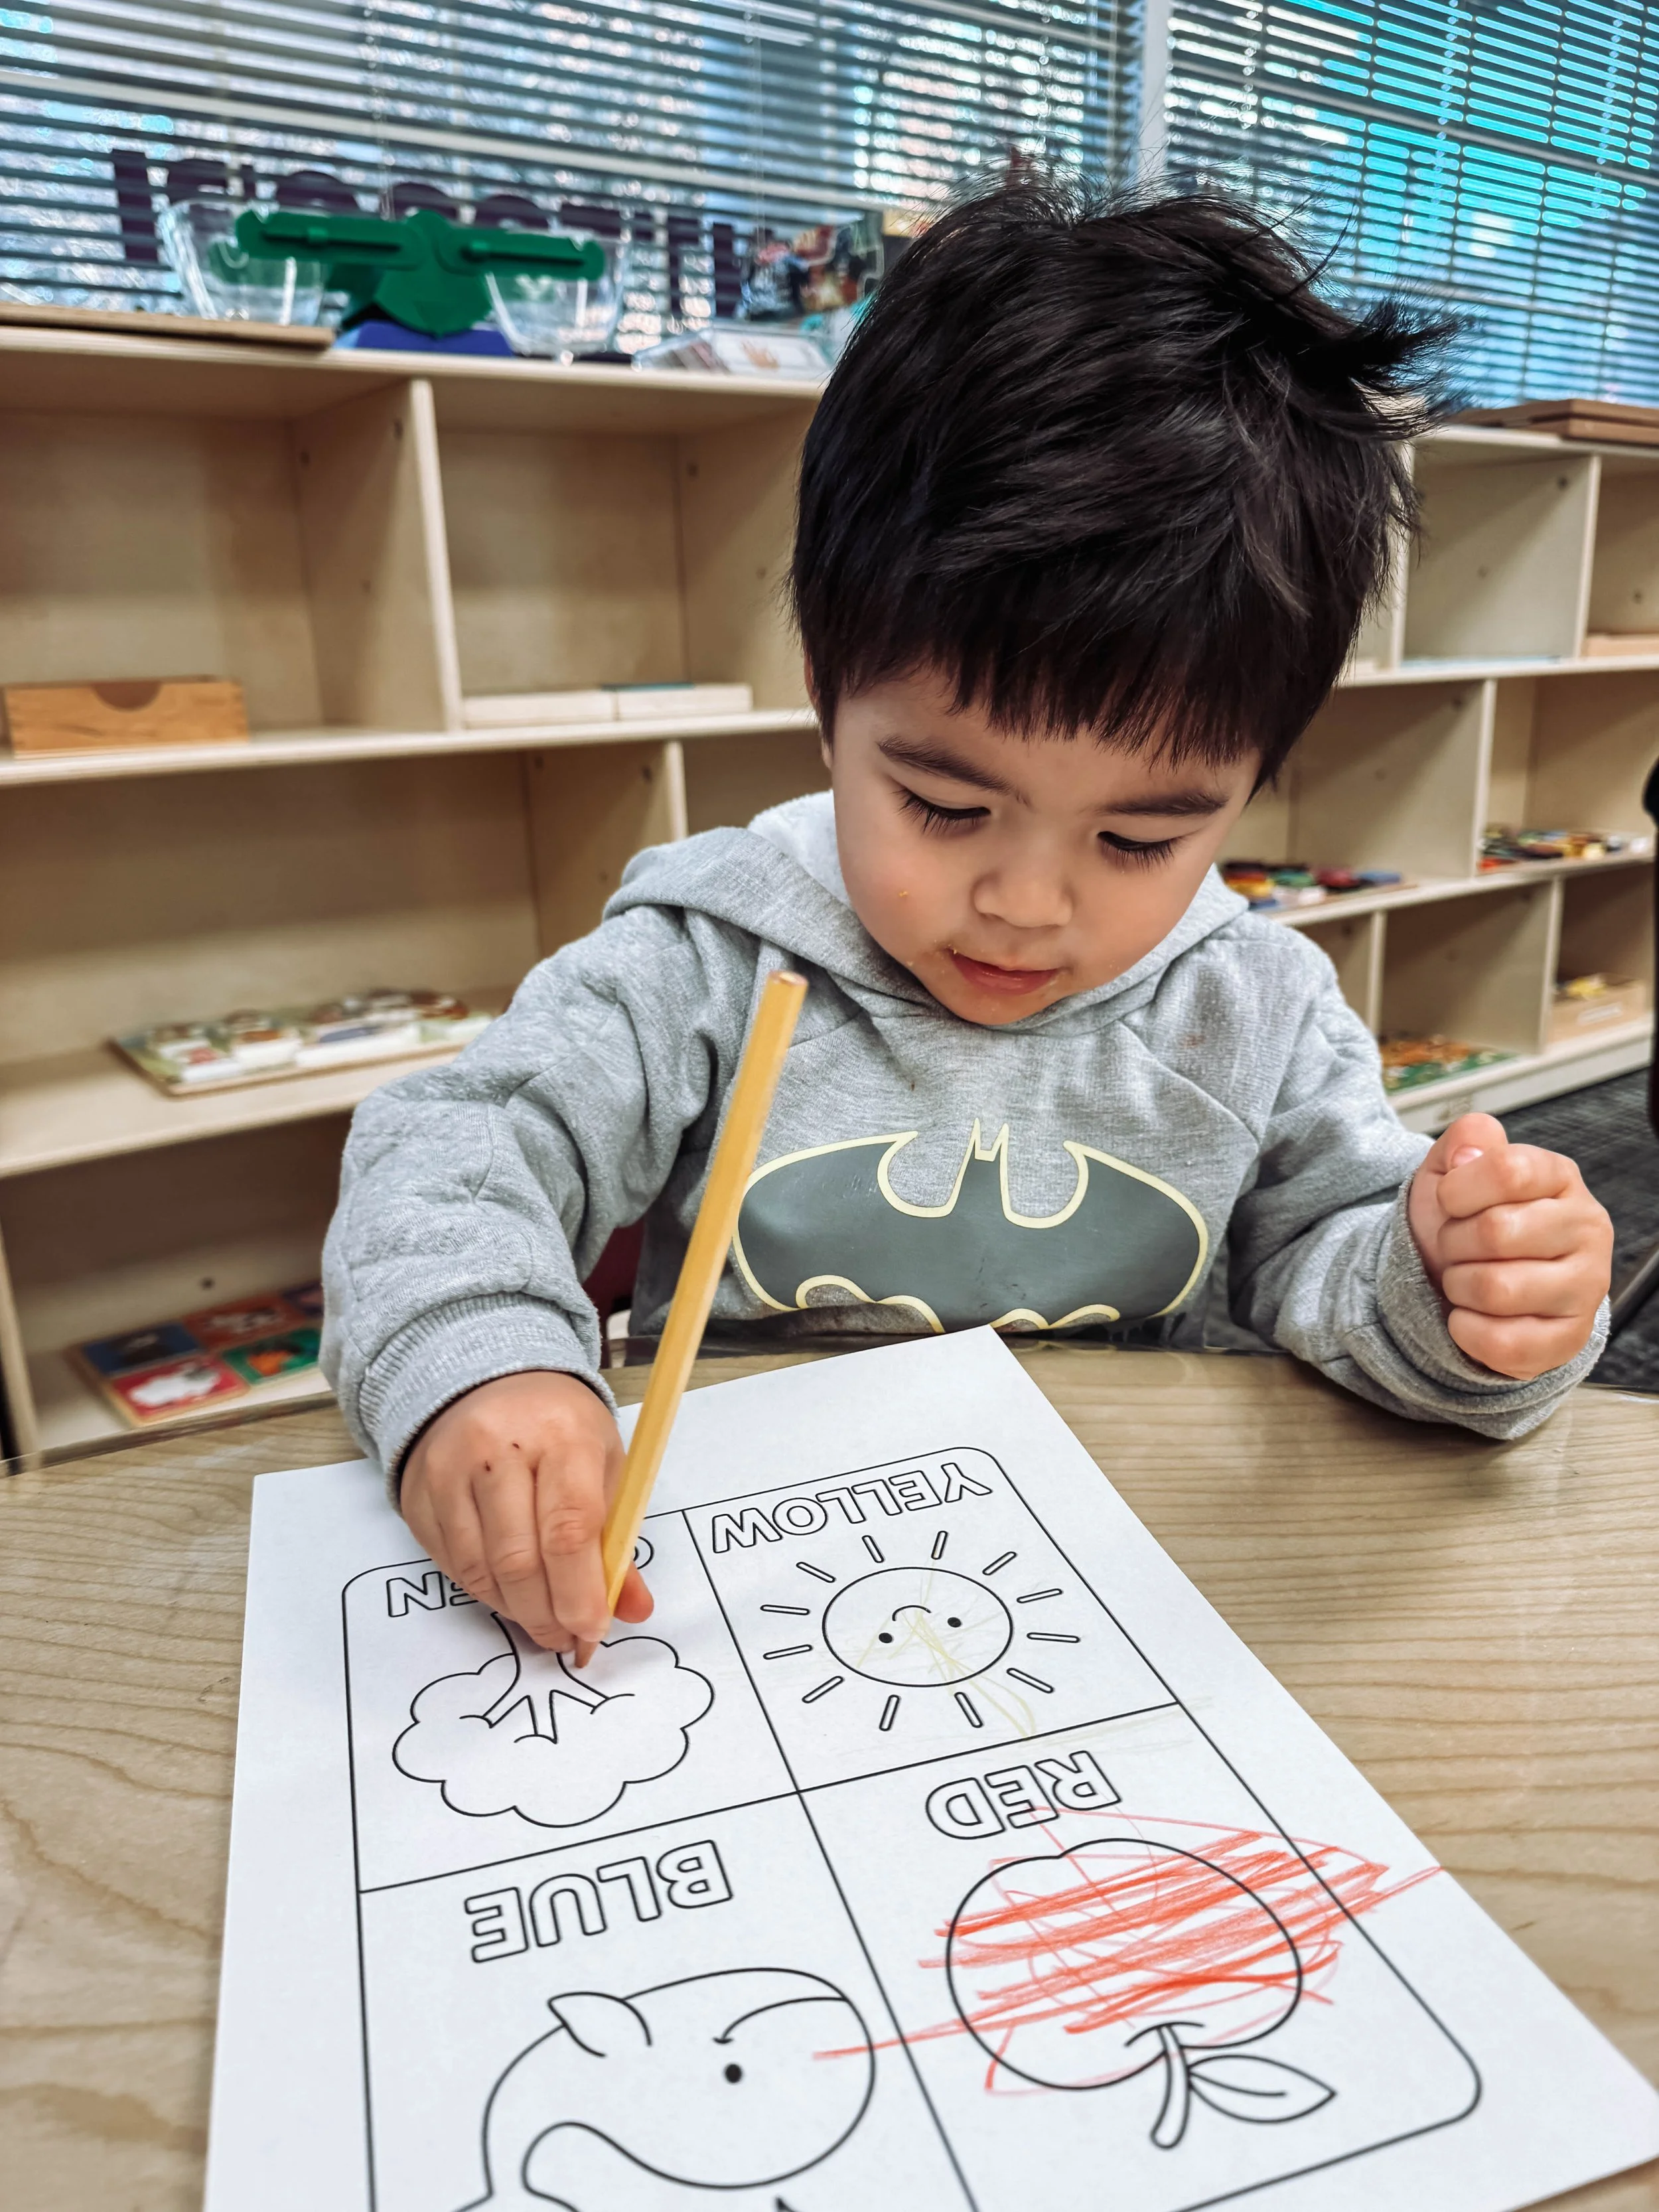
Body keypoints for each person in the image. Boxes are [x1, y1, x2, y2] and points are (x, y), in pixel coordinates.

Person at [322, 182, 1613, 1655]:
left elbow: (1330, 1259)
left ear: (1256, 779)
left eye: (1142, 833)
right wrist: (479, 1371)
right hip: (739, 1606)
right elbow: (450, 1145)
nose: (1023, 901)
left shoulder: (1247, 1005)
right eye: (942, 806)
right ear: (825, 684)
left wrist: (1456, 1296)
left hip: (1114, 1611)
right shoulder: (706, 959)